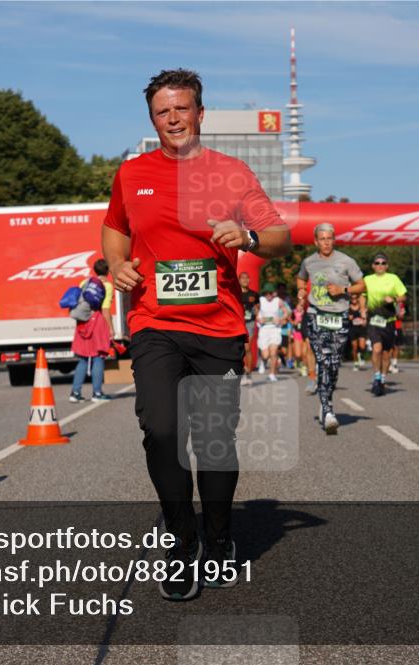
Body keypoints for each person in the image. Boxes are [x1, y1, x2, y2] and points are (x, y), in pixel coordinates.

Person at [102, 69, 290, 600]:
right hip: (154, 324)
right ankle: (181, 541)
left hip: (218, 327)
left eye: (182, 108)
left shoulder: (231, 174)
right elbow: (114, 229)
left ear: (200, 114)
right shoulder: (131, 173)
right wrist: (116, 265)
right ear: (152, 119)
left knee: (212, 441)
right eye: (163, 112)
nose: (173, 119)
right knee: (161, 431)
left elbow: (278, 237)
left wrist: (250, 236)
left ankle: (219, 535)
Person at [296, 223, 365, 434]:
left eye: (330, 238)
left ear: (334, 240)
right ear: (316, 241)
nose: (326, 242)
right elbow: (300, 278)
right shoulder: (309, 262)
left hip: (340, 315)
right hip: (317, 314)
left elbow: (362, 285)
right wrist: (301, 294)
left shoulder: (346, 261)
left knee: (334, 364)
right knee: (323, 361)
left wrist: (343, 289)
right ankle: (328, 411)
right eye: (322, 239)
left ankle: (325, 397)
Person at [362, 253, 407, 396]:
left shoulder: (393, 278)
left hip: (389, 321)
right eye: (377, 263)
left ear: (387, 265)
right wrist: (363, 310)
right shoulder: (367, 279)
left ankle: (382, 378)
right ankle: (376, 378)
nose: (380, 265)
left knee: (387, 354)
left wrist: (393, 298)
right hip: (374, 320)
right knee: (376, 349)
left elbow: (403, 296)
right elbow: (363, 296)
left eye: (382, 263)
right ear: (373, 266)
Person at [69, 259, 113, 403]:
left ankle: (75, 393)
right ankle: (97, 393)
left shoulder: (85, 283)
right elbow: (105, 310)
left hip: (83, 322)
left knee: (82, 358)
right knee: (98, 357)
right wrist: (110, 329)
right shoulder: (107, 285)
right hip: (98, 322)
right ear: (108, 271)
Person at [256, 283, 291, 383]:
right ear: (264, 293)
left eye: (270, 293)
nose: (269, 295)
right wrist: (259, 319)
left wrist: (280, 319)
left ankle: (272, 374)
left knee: (274, 352)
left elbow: (287, 312)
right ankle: (263, 361)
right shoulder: (260, 300)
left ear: (273, 293)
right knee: (266, 355)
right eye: (267, 293)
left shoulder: (278, 301)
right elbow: (256, 312)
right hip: (264, 330)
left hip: (275, 329)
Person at [238, 272, 259, 386]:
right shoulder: (236, 293)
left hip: (250, 323)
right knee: (238, 349)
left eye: (247, 278)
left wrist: (257, 314)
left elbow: (257, 308)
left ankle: (249, 374)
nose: (245, 280)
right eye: (243, 278)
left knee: (247, 348)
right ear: (239, 280)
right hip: (238, 323)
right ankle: (242, 370)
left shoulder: (254, 294)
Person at [346, 293, 367, 370]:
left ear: (358, 298)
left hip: (361, 329)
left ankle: (360, 355)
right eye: (352, 298)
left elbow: (366, 317)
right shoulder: (348, 308)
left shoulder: (362, 307)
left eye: (355, 298)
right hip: (352, 329)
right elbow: (345, 317)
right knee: (354, 347)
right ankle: (355, 363)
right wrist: (349, 317)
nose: (354, 300)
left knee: (362, 346)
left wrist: (364, 319)